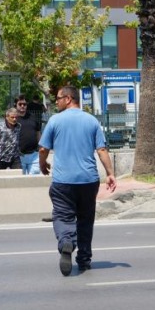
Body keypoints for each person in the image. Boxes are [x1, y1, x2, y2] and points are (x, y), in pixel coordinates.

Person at [39, 86, 116, 276]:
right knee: (85, 220)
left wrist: (43, 164)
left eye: (58, 98)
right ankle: (84, 259)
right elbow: (102, 150)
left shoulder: (55, 121)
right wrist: (110, 173)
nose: (56, 102)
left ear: (68, 98)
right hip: (88, 181)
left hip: (63, 181)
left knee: (63, 216)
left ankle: (66, 241)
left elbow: (42, 149)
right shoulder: (92, 121)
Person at [15, 94, 42, 175]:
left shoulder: (33, 117)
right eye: (20, 104)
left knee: (34, 182)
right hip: (19, 156)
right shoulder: (13, 119)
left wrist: (41, 148)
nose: (22, 106)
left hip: (34, 155)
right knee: (21, 182)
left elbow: (38, 133)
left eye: (24, 104)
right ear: (15, 105)